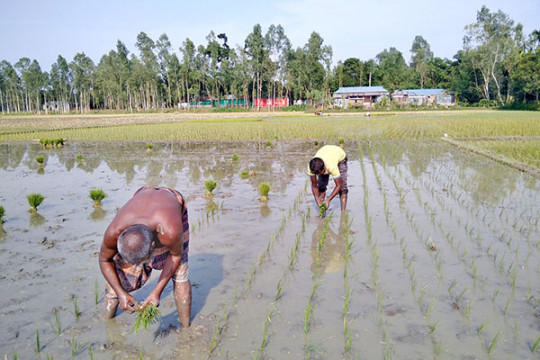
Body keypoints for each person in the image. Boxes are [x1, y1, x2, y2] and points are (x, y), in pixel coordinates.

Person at [99, 186, 191, 328]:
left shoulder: (170, 230)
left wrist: (156, 292)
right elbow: (104, 260)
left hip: (171, 202)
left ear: (153, 245)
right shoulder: (114, 232)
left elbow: (175, 256)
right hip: (142, 194)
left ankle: (186, 329)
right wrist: (120, 292)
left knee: (180, 273)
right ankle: (107, 325)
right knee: (116, 275)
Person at [308, 145, 348, 212]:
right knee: (321, 185)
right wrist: (317, 200)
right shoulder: (312, 167)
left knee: (343, 188)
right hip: (325, 151)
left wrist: (328, 200)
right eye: (316, 174)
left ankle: (343, 214)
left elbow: (338, 185)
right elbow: (314, 185)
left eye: (320, 173)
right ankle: (322, 210)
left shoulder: (332, 166)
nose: (318, 175)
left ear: (324, 168)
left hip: (340, 156)